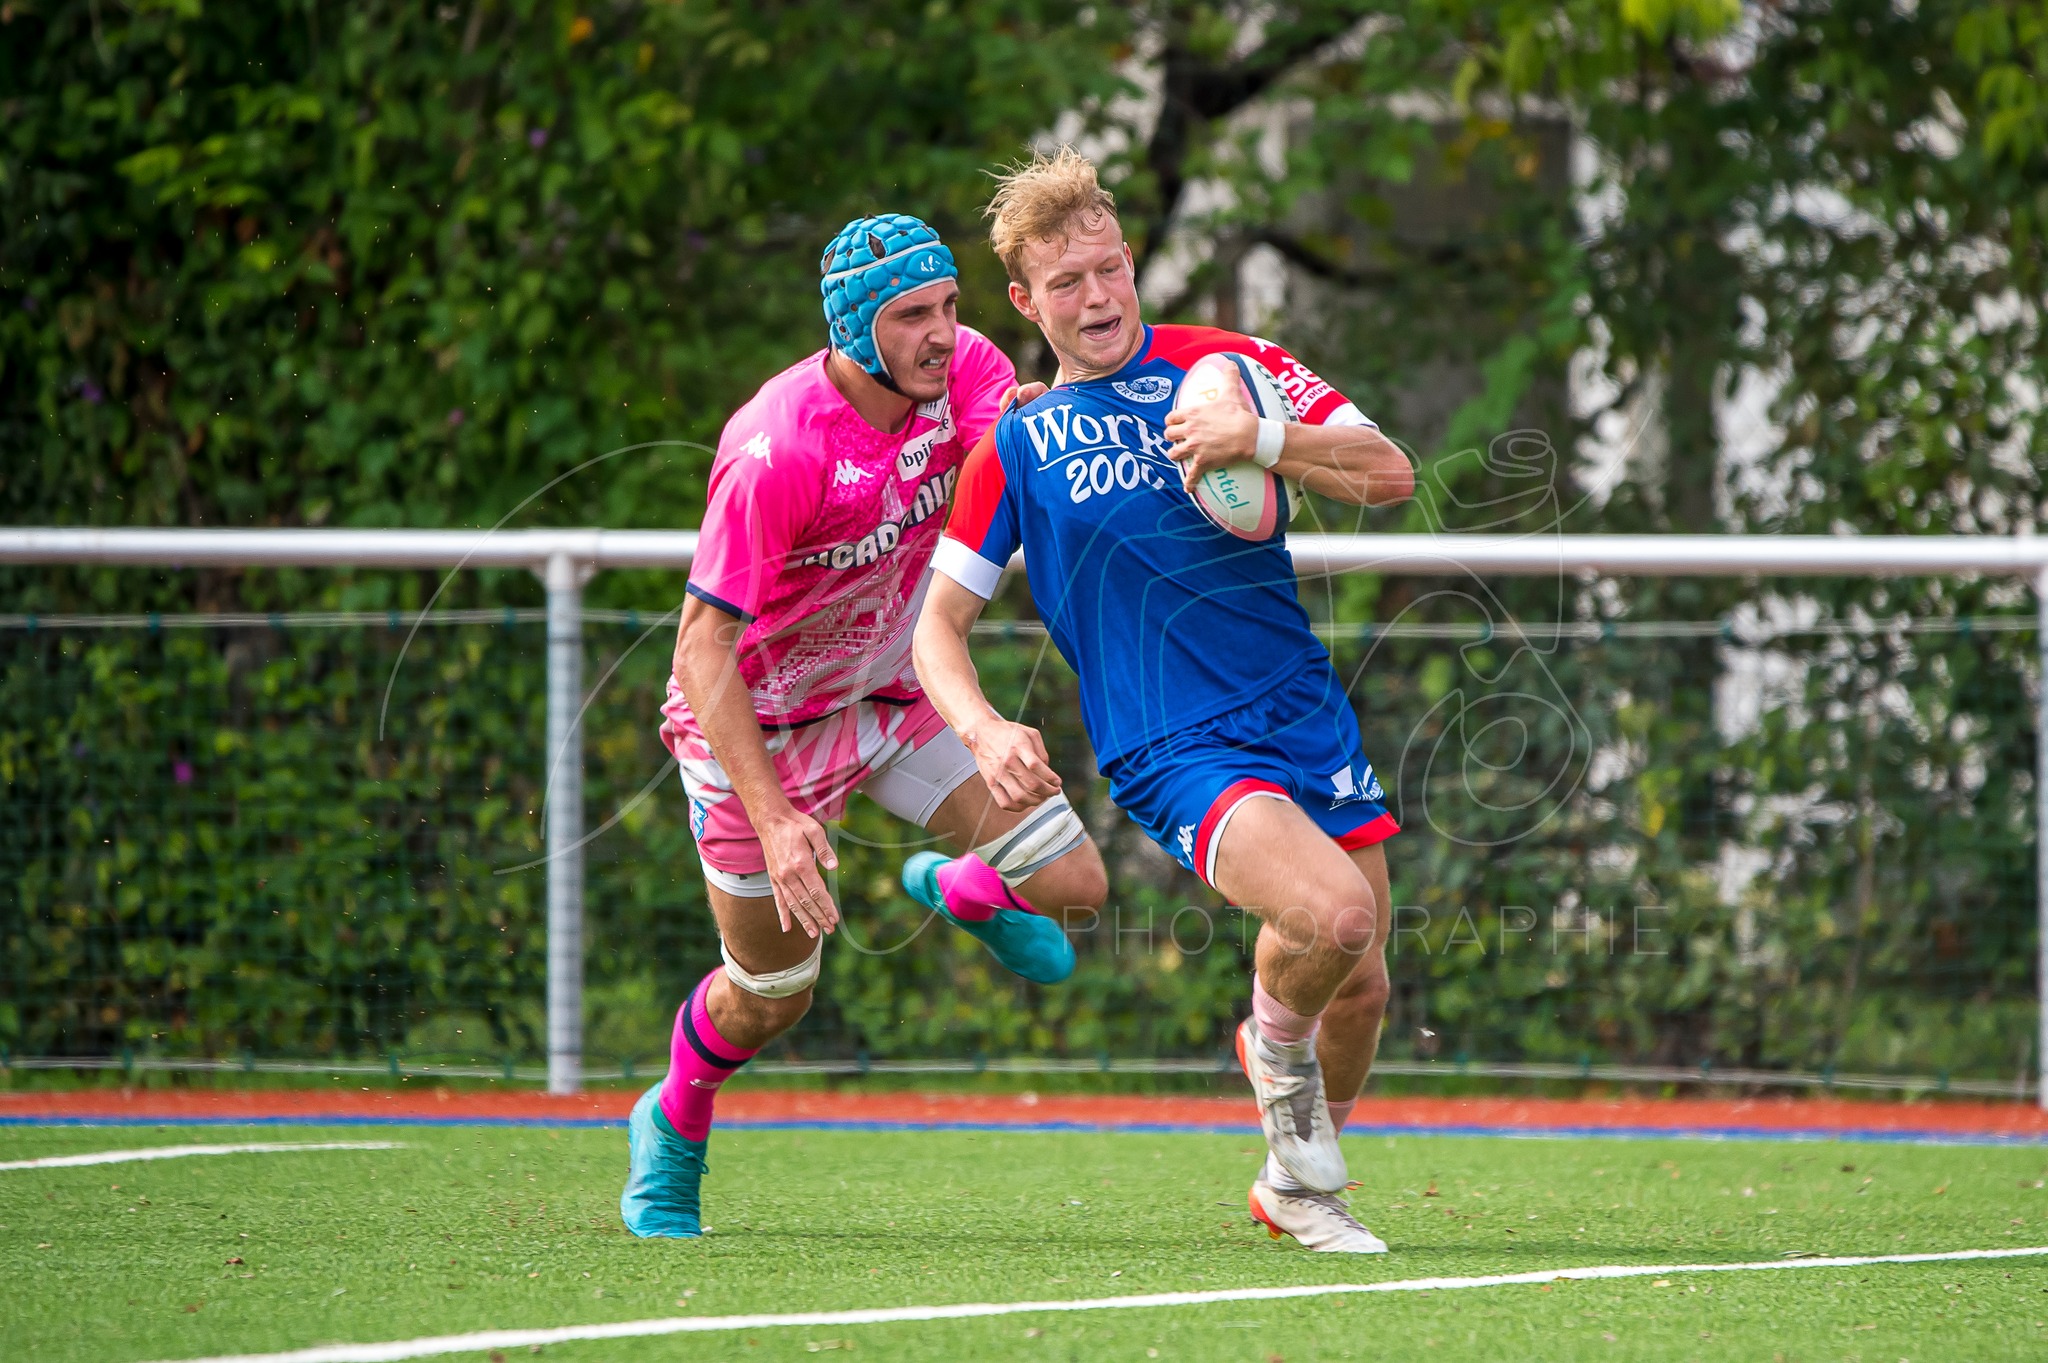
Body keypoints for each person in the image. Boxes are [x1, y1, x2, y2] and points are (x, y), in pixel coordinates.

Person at [914, 151, 1415, 1254]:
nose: (1095, 298)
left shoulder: (1231, 366)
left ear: (1131, 261)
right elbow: (934, 629)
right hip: (1170, 739)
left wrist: (1262, 440)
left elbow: (1388, 474)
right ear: (1023, 301)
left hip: (1299, 709)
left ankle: (1292, 1184)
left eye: (1108, 269)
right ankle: (1272, 1056)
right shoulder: (1017, 439)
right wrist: (984, 726)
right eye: (1065, 284)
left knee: (1365, 979)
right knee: (1328, 916)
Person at [622, 213, 1109, 1239]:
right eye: (909, 317)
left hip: (891, 694)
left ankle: (961, 888)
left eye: (946, 306)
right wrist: (778, 814)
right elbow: (701, 652)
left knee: (1073, 883)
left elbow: (1009, 460)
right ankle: (673, 1117)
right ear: (851, 330)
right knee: (772, 994)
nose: (942, 333)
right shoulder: (777, 449)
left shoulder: (964, 369)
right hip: (756, 727)